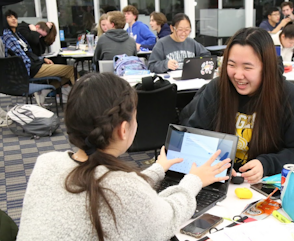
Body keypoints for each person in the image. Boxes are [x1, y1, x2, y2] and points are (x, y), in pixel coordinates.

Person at [17, 72, 231, 240]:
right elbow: (169, 217)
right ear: (123, 129)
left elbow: (125, 191)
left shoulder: (46, 162)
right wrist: (195, 180)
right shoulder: (121, 187)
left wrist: (158, 169)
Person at [187, 27, 294, 183]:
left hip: (265, 186)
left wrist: (267, 164)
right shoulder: (216, 89)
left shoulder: (289, 97)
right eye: (232, 65)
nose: (238, 75)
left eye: (247, 67)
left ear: (266, 67)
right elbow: (195, 137)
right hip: (219, 181)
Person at [2, 10, 75, 105]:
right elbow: (22, 57)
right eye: (9, 17)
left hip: (35, 65)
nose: (13, 19)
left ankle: (44, 91)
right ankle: (82, 99)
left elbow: (29, 52)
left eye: (14, 17)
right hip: (31, 68)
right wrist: (36, 64)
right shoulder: (7, 35)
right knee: (71, 70)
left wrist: (42, 59)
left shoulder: (18, 35)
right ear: (4, 20)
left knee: (67, 72)